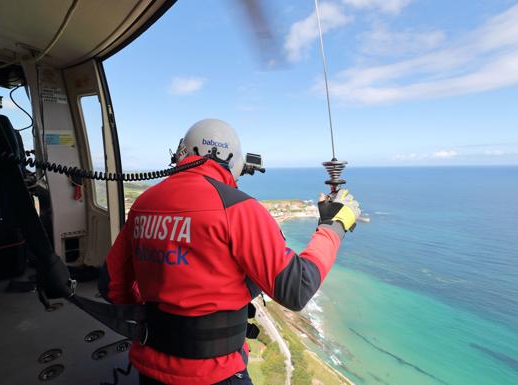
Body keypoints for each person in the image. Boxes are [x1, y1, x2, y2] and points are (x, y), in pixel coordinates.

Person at [105, 119, 360, 385]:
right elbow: (298, 288)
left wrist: (163, 307)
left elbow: (112, 285)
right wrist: (333, 227)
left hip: (150, 369)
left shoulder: (144, 204)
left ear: (182, 153)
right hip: (217, 373)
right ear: (233, 159)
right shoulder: (239, 209)